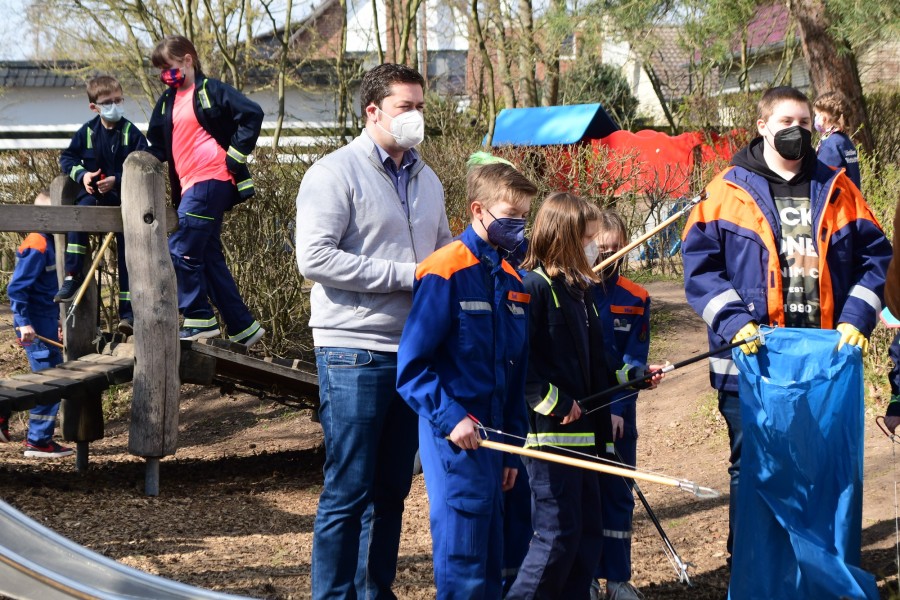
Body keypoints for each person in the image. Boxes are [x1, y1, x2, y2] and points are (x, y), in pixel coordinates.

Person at [681, 85, 891, 561]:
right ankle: (754, 568)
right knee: (753, 467)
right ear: (762, 127)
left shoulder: (838, 188)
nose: (796, 132)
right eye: (785, 124)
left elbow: (877, 258)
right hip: (751, 363)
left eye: (804, 123)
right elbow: (699, 269)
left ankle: (811, 568)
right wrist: (734, 323)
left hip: (823, 363)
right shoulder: (724, 191)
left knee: (817, 466)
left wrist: (858, 315)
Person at [295, 63, 452, 599]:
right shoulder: (333, 173)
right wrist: (403, 276)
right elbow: (314, 258)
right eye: (406, 107)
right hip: (352, 350)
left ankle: (373, 593)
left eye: (421, 107)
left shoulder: (428, 179)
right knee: (348, 489)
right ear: (373, 111)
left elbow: (445, 256)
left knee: (391, 491)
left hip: (413, 353)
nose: (416, 117)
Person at [396, 157, 536, 598]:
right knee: (465, 564)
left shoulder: (515, 282)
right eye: (511, 216)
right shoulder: (444, 270)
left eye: (524, 218)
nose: (519, 227)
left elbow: (516, 377)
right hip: (455, 440)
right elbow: (413, 366)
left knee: (495, 562)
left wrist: (513, 451)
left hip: (498, 443)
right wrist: (452, 418)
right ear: (479, 210)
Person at [506, 193, 655, 600]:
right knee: (555, 538)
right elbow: (519, 367)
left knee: (587, 537)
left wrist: (636, 376)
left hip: (590, 440)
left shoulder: (579, 292)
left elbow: (600, 366)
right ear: (565, 238)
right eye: (589, 238)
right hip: (550, 441)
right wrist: (556, 402)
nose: (596, 247)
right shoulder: (532, 288)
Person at [147, 35, 265, 347]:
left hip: (211, 179)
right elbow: (155, 147)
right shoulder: (167, 102)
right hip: (189, 187)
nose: (165, 75)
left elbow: (252, 114)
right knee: (208, 257)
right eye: (160, 70)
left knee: (180, 247)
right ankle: (243, 326)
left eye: (168, 67)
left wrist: (235, 157)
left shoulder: (211, 90)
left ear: (188, 59)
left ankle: (199, 317)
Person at [57, 75, 149, 335]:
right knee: (78, 214)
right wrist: (82, 175)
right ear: (94, 107)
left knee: (127, 256)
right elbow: (67, 158)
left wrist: (118, 180)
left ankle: (128, 314)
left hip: (124, 199)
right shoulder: (86, 132)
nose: (115, 105)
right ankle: (72, 277)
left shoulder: (131, 133)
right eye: (108, 102)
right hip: (93, 195)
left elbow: (146, 164)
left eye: (119, 100)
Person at [590, 209, 652, 600]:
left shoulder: (636, 297)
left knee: (617, 494)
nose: (609, 259)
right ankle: (583, 580)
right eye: (602, 250)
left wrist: (617, 407)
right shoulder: (572, 291)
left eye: (617, 251)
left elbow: (635, 361)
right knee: (581, 497)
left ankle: (617, 579)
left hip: (618, 416)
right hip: (578, 411)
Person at [1, 191, 74, 458]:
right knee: (49, 380)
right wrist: (23, 323)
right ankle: (38, 441)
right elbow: (17, 288)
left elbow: (47, 290)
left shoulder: (54, 243)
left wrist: (56, 321)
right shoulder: (37, 243)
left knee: (47, 378)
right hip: (33, 324)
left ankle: (8, 416)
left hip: (45, 320)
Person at [813, 90, 861, 190]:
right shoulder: (844, 140)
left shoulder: (831, 144)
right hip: (850, 199)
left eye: (816, 115)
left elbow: (823, 179)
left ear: (824, 118)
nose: (815, 118)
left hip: (836, 203)